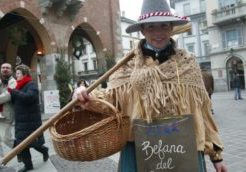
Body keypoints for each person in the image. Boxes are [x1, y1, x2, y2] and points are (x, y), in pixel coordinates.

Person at [73, 0, 227, 171]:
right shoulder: (127, 66)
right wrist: (86, 95)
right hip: (139, 150)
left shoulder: (188, 63)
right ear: (142, 30)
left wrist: (216, 156)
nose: (158, 32)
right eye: (151, 27)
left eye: (163, 26)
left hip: (184, 148)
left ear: (171, 27)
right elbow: (111, 102)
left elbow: (203, 111)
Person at [7, 64, 48, 172]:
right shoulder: (18, 86)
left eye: (18, 74)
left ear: (24, 74)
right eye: (16, 74)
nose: (17, 76)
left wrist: (14, 92)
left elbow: (29, 97)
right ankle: (28, 165)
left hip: (31, 119)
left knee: (34, 143)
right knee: (22, 144)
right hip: (20, 120)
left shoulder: (32, 84)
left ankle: (44, 150)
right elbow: (16, 100)